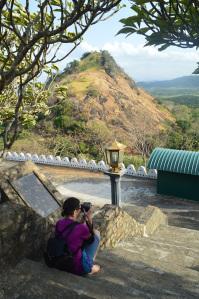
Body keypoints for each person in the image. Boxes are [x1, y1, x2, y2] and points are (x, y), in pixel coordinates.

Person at [55, 197, 101, 275]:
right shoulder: (81, 228)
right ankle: (89, 264)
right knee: (97, 235)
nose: (80, 210)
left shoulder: (59, 223)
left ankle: (88, 263)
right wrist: (89, 220)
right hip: (75, 266)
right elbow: (91, 240)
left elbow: (71, 231)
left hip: (61, 260)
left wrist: (81, 222)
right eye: (79, 208)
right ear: (75, 211)